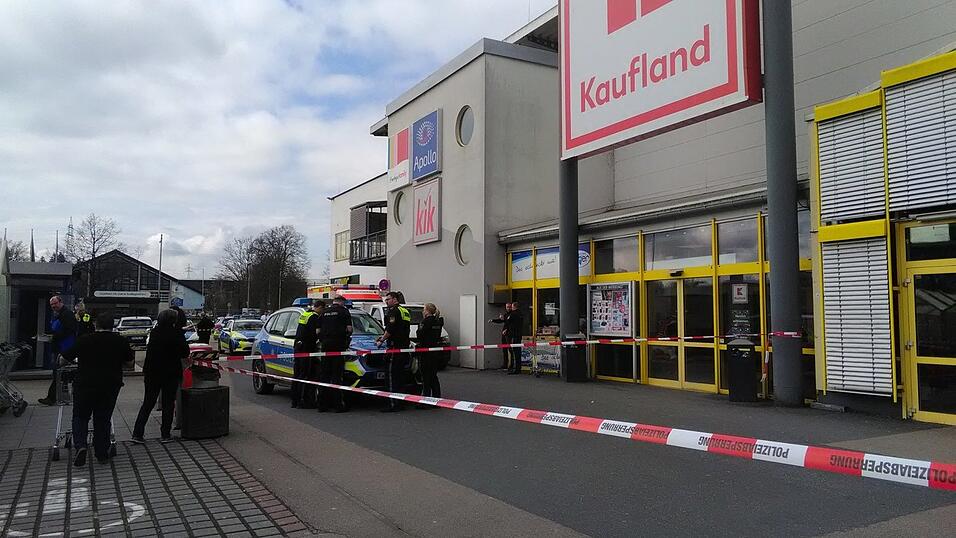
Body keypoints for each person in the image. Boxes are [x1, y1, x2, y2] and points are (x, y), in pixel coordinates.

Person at [62, 312, 134, 466]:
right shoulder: (120, 341)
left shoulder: (84, 339)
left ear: (96, 325)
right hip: (110, 385)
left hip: (84, 384)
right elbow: (130, 364)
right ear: (112, 325)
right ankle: (101, 452)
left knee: (80, 416)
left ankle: (81, 445)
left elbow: (64, 358)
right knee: (103, 418)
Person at [131, 309, 189, 444]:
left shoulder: (154, 333)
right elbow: (185, 352)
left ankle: (137, 433)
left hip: (152, 372)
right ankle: (165, 434)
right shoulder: (176, 334)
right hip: (170, 372)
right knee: (168, 403)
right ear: (173, 321)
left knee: (148, 402)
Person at [376, 291, 411, 412]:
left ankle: (393, 403)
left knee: (391, 376)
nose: (386, 301)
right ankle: (401, 402)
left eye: (388, 299)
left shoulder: (393, 311)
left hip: (394, 348)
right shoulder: (404, 311)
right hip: (403, 347)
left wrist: (381, 340)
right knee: (400, 376)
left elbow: (390, 329)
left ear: (395, 299)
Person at [39, 295, 77, 406]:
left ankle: (52, 398)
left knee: (58, 373)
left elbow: (69, 330)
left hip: (64, 348)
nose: (53, 306)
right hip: (61, 347)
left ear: (60, 302)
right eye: (51, 305)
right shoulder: (60, 315)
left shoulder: (66, 314)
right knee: (60, 374)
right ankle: (60, 396)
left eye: (55, 303)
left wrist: (54, 337)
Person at [317, 295, 352, 413]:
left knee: (324, 375)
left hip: (326, 346)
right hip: (338, 346)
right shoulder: (344, 312)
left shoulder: (324, 312)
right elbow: (349, 329)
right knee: (337, 376)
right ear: (342, 302)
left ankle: (322, 405)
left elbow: (318, 331)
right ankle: (338, 405)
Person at [291, 300, 322, 408]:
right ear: (319, 308)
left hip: (298, 347)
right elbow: (317, 333)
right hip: (307, 349)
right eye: (321, 310)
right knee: (305, 375)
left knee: (297, 375)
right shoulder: (314, 317)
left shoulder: (305, 314)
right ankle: (303, 401)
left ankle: (295, 401)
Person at [416, 303, 444, 404]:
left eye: (424, 309)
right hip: (435, 351)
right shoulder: (438, 321)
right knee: (433, 376)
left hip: (425, 351)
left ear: (427, 311)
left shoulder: (426, 321)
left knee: (426, 377)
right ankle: (437, 399)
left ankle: (426, 400)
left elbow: (420, 334)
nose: (423, 311)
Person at [489, 303, 512, 370]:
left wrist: (507, 330)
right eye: (507, 307)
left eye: (509, 307)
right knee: (504, 349)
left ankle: (511, 365)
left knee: (510, 350)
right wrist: (493, 320)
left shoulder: (512, 315)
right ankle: (505, 364)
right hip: (504, 334)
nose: (508, 308)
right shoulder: (506, 314)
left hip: (509, 334)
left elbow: (510, 324)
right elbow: (501, 321)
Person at [507, 300, 525, 375]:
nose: (510, 308)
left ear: (514, 307)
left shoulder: (513, 314)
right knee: (518, 352)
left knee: (515, 351)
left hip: (514, 335)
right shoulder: (521, 313)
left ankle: (515, 368)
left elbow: (507, 321)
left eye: (511, 307)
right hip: (519, 334)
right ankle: (518, 368)